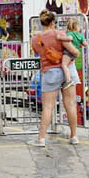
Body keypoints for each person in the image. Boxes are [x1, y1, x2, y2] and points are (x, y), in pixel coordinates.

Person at [29, 10, 79, 146]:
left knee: (48, 107)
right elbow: (74, 52)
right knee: (70, 104)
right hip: (68, 69)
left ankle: (41, 139)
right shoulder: (59, 34)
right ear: (52, 22)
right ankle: (74, 136)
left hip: (50, 72)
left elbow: (38, 53)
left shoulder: (35, 39)